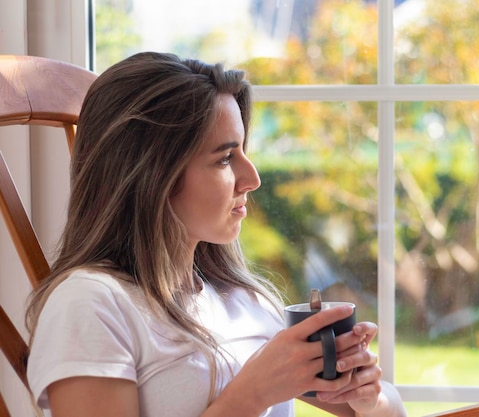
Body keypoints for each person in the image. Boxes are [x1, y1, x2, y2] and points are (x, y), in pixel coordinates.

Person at [25, 51, 407, 417]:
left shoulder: (241, 301)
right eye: (225, 158)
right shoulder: (92, 305)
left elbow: (385, 410)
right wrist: (254, 393)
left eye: (242, 150)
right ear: (152, 176)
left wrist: (369, 396)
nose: (252, 178)